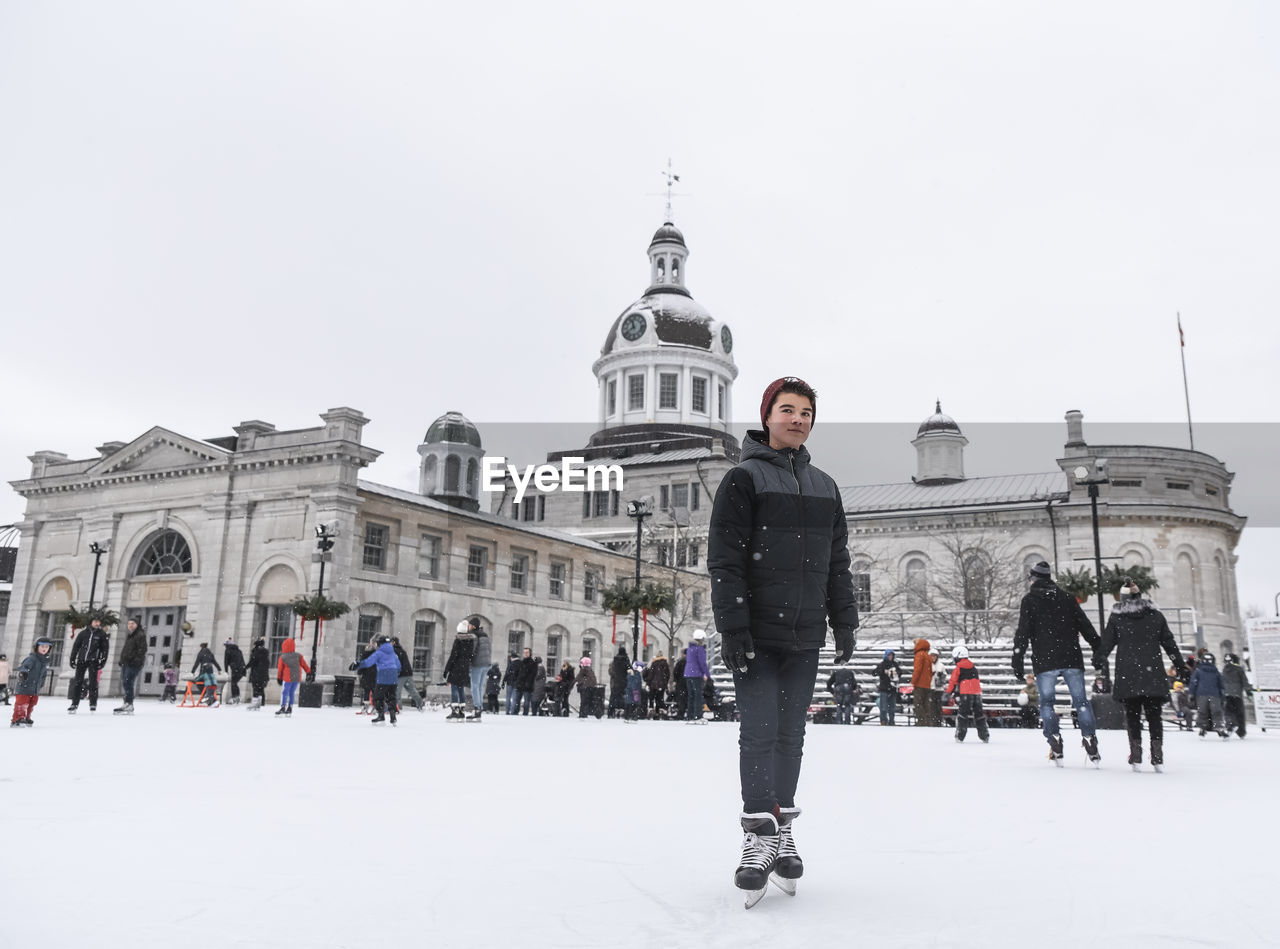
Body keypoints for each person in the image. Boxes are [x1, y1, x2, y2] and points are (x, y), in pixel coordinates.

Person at [708, 376, 858, 903]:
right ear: (767, 415)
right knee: (760, 732)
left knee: (792, 734)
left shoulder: (825, 486)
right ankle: (758, 836)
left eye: (806, 413)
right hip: (756, 633)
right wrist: (734, 625)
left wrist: (845, 620)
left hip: (805, 633)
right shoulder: (743, 479)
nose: (797, 420)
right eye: (787, 410)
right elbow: (725, 560)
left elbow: (838, 562)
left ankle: (781, 826)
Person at [1012, 560, 1103, 766]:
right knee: (1081, 702)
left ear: (1034, 579)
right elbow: (1085, 625)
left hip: (1045, 660)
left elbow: (1023, 632)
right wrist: (1098, 648)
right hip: (1071, 657)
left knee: (1047, 703)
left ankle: (1054, 737)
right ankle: (1089, 736)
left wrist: (1017, 659)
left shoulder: (1029, 601)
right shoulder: (1067, 598)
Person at [1095, 581, 1189, 771]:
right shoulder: (1155, 616)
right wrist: (1180, 666)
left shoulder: (1117, 618)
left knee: (1132, 715)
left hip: (1128, 673)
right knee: (1154, 715)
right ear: (1140, 596)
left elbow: (1107, 643)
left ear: (1122, 599)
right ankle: (1157, 755)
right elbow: (1169, 644)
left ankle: (1136, 754)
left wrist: (1099, 659)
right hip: (1152, 671)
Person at [944, 645, 989, 743]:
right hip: (976, 694)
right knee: (979, 714)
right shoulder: (973, 667)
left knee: (963, 715)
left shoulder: (958, 668)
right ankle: (984, 735)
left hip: (965, 694)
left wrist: (948, 693)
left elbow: (953, 682)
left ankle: (960, 736)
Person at [68, 617, 110, 713]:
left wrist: (102, 661)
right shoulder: (83, 633)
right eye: (95, 621)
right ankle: (74, 704)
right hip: (82, 660)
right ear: (91, 622)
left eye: (98, 621)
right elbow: (76, 646)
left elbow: (105, 649)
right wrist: (72, 659)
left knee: (93, 683)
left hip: (93, 661)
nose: (97, 623)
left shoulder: (102, 635)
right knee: (78, 682)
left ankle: (93, 703)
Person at [356, 635, 401, 725]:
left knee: (377, 697)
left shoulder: (379, 652)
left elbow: (368, 662)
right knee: (391, 696)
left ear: (380, 643)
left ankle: (381, 715)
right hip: (393, 677)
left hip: (383, 676)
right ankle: (393, 717)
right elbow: (399, 666)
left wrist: (357, 665)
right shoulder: (393, 653)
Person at [10, 637, 55, 727]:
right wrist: (23, 674)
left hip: (35, 689)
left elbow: (43, 675)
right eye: (42, 646)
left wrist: (41, 684)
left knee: (31, 704)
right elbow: (24, 667)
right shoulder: (32, 659)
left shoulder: (45, 662)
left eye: (46, 647)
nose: (44, 648)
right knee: (22, 703)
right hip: (25, 686)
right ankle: (17, 719)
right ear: (36, 647)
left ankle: (26, 717)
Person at [1188, 652, 1230, 739]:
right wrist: (1222, 695)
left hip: (1201, 694)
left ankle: (1203, 728)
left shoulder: (1198, 671)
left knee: (1203, 712)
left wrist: (1191, 694)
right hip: (1215, 695)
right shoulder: (1216, 671)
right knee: (1217, 712)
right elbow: (1221, 684)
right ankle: (1219, 727)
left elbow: (1193, 683)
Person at [442, 622, 477, 721]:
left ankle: (455, 711)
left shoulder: (458, 640)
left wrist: (446, 670)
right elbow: (471, 656)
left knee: (454, 688)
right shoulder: (471, 641)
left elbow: (453, 656)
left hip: (456, 667)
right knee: (461, 689)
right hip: (464, 668)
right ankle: (461, 711)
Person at [113, 618, 148, 715]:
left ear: (137, 624)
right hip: (127, 662)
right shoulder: (131, 635)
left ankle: (129, 704)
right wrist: (122, 660)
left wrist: (136, 660)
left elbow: (142, 649)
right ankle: (127, 703)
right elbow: (127, 649)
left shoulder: (140, 635)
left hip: (133, 664)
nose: (130, 625)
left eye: (132, 623)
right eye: (129, 623)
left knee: (128, 682)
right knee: (125, 682)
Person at [274, 637, 310, 716]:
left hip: (288, 677)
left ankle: (283, 706)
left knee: (285, 692)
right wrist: (308, 672)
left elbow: (280, 669)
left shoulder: (282, 657)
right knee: (291, 692)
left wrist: (279, 678)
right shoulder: (298, 655)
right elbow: (304, 665)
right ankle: (290, 707)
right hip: (297, 677)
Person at [391, 636, 425, 712]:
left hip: (401, 674)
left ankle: (398, 707)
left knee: (397, 692)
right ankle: (420, 703)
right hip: (408, 673)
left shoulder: (394, 651)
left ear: (393, 643)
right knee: (412, 690)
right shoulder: (402, 650)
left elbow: (396, 663)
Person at [1222, 653, 1252, 738]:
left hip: (1227, 694)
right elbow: (1244, 681)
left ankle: (1231, 725)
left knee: (1229, 712)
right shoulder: (1239, 669)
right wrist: (1248, 691)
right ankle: (1241, 732)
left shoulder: (1225, 669)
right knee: (1240, 713)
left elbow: (1222, 681)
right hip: (1237, 695)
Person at [467, 618, 491, 721]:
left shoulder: (474, 636)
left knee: (474, 687)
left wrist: (469, 662)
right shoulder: (485, 636)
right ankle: (479, 707)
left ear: (472, 626)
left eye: (469, 625)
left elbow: (472, 651)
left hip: (477, 664)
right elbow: (489, 650)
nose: (468, 627)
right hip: (486, 664)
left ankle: (477, 708)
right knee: (480, 687)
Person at [683, 630, 710, 724]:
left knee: (691, 696)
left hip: (688, 674)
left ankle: (690, 716)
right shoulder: (700, 649)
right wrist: (707, 674)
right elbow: (702, 663)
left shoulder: (690, 649)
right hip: (696, 674)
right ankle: (697, 716)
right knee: (698, 696)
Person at [872, 649, 901, 725]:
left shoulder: (895, 664)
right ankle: (883, 721)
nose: (890, 657)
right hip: (884, 689)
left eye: (891, 655)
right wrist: (883, 671)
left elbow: (900, 672)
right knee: (883, 708)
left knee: (892, 708)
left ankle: (892, 721)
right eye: (889, 655)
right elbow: (874, 672)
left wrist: (896, 672)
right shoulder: (882, 664)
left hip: (893, 689)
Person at [911, 638, 935, 726]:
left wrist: (913, 682)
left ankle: (922, 721)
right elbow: (930, 671)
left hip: (919, 684)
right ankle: (928, 722)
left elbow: (917, 670)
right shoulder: (927, 656)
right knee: (926, 704)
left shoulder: (919, 655)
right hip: (927, 684)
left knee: (917, 703)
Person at [245, 637, 270, 709]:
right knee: (261, 688)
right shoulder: (265, 654)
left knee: (255, 688)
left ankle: (255, 703)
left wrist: (245, 668)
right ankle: (261, 702)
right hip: (264, 674)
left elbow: (252, 662)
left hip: (256, 673)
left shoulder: (256, 652)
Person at [645, 653, 671, 718]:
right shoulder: (665, 664)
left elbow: (651, 674)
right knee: (660, 698)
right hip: (662, 685)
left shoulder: (654, 663)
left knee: (652, 698)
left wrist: (648, 683)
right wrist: (665, 683)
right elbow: (668, 675)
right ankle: (659, 711)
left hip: (653, 684)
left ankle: (651, 710)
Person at [222, 637, 247, 705]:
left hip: (236, 669)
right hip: (241, 668)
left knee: (233, 683)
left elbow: (226, 661)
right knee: (235, 683)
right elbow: (242, 660)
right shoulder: (238, 650)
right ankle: (237, 697)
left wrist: (226, 671)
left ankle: (235, 697)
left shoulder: (228, 650)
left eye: (225, 645)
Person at [514, 647, 536, 716]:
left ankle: (525, 714)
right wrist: (517, 682)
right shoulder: (521, 662)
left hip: (527, 685)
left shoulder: (532, 663)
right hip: (520, 684)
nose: (525, 654)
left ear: (530, 653)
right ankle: (515, 713)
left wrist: (528, 683)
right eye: (524, 652)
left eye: (527, 652)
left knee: (526, 701)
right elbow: (517, 673)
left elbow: (532, 675)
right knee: (517, 700)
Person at [608, 647, 630, 718]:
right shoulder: (626, 660)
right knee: (623, 697)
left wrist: (615, 675)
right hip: (624, 682)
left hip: (615, 682)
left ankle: (611, 712)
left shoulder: (614, 660)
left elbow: (610, 671)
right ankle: (622, 710)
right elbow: (630, 671)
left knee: (613, 697)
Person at [672, 649, 689, 720]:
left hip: (680, 683)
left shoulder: (680, 662)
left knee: (681, 699)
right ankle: (688, 713)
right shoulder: (690, 662)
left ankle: (680, 714)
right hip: (687, 682)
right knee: (687, 698)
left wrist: (675, 680)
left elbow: (675, 672)